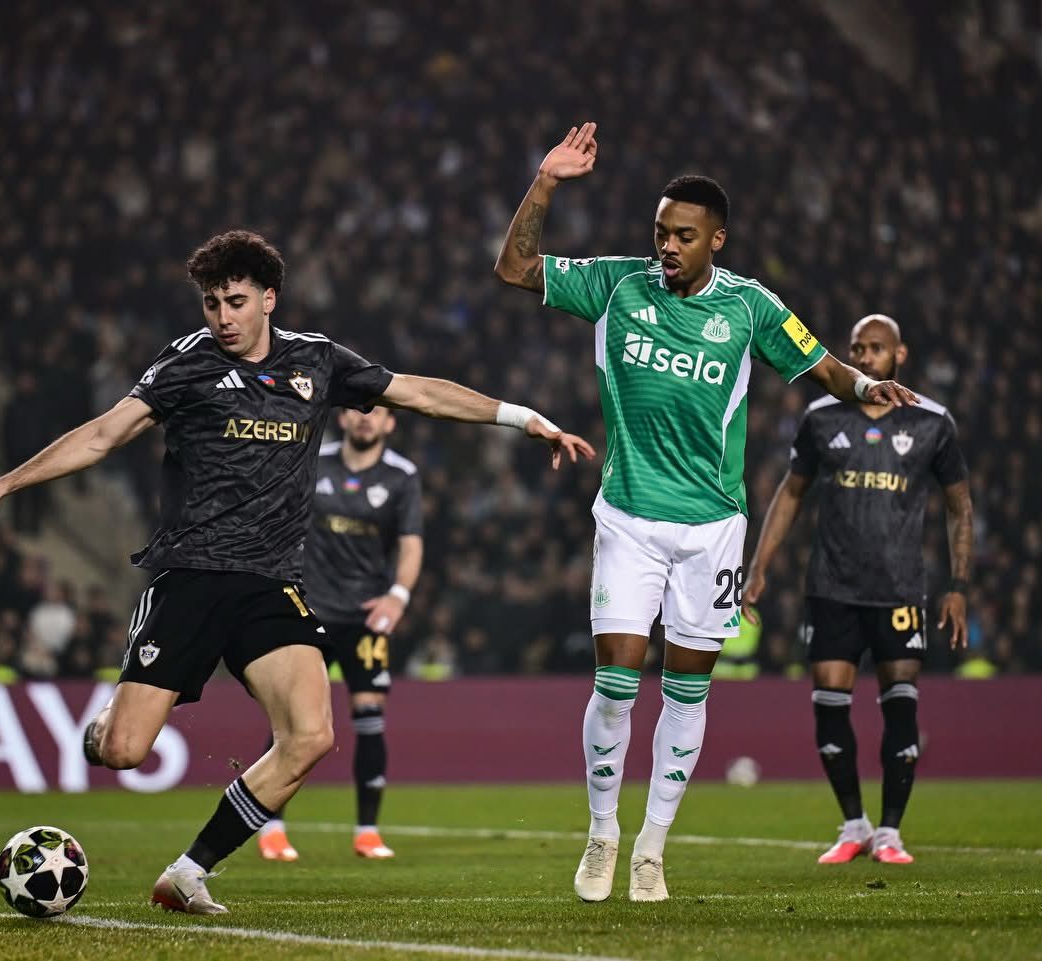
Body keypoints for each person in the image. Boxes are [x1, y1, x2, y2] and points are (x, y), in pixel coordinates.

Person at [0, 230, 594, 914]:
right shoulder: (186, 364)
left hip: (271, 583)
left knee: (312, 736)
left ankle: (189, 871)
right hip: (192, 575)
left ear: (268, 299)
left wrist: (521, 418)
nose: (222, 318)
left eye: (235, 301)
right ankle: (105, 724)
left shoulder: (316, 360)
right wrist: (1, 486)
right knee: (124, 751)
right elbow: (103, 435)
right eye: (211, 304)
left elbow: (417, 393)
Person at [494, 122, 918, 903]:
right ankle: (601, 833)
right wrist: (546, 182)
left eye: (683, 236)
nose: (666, 247)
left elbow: (822, 364)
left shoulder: (750, 307)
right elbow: (516, 266)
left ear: (716, 239)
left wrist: (866, 387)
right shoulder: (616, 285)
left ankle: (651, 848)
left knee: (688, 692)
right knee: (616, 684)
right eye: (660, 232)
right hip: (629, 516)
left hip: (713, 528)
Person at [743, 313, 972, 865]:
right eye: (856, 348)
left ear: (900, 355)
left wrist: (958, 585)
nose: (865, 357)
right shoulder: (821, 417)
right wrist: (759, 566)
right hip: (832, 587)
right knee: (828, 703)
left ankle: (890, 832)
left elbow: (959, 506)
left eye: (876, 348)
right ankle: (854, 824)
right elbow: (791, 493)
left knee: (901, 705)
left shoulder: (932, 422)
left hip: (899, 589)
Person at [257, 405, 423, 863]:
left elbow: (411, 543)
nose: (366, 418)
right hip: (309, 610)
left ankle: (367, 832)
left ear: (390, 423)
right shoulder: (313, 461)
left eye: (376, 412)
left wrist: (398, 597)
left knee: (369, 715)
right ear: (343, 419)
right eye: (356, 410)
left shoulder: (402, 476)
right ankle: (271, 827)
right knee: (292, 720)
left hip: (366, 617)